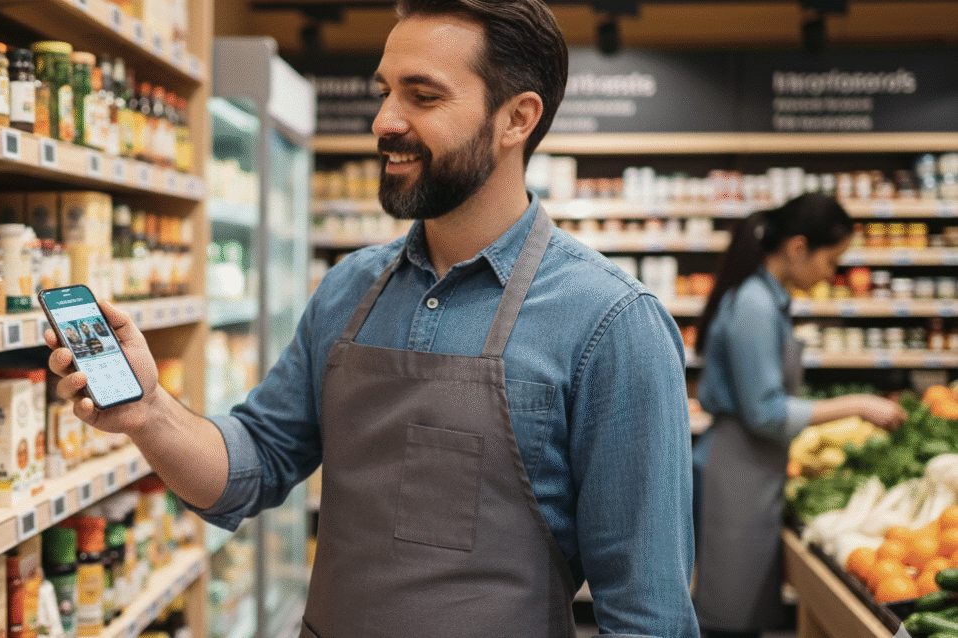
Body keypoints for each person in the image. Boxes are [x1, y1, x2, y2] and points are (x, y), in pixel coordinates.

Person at [47, 0, 699, 634]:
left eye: (423, 95)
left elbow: (648, 614)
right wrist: (150, 411)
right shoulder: (349, 290)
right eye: (386, 91)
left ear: (516, 119)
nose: (385, 119)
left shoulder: (612, 325)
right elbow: (254, 466)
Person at [691, 193, 905, 638]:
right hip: (737, 472)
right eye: (831, 260)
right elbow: (765, 412)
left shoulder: (764, 298)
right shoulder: (754, 305)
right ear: (797, 247)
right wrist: (858, 405)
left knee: (741, 612)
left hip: (751, 468)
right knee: (728, 618)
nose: (832, 273)